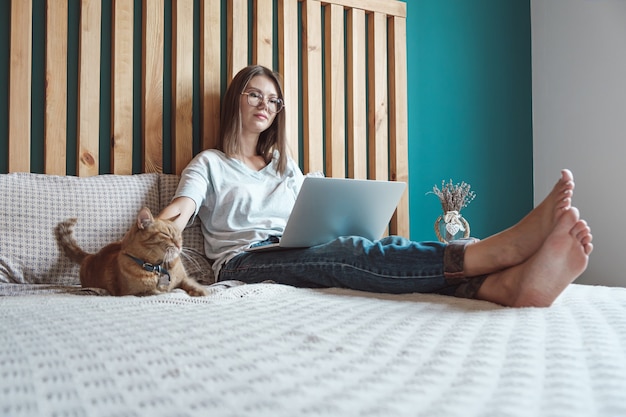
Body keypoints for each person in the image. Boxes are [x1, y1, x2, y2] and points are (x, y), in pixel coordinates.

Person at [159, 65, 593, 308]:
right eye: (254, 94)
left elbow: (313, 212)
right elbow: (179, 211)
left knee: (361, 249)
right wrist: (155, 231)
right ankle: (496, 252)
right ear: (236, 98)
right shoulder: (209, 164)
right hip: (244, 262)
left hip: (293, 248)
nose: (265, 105)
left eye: (273, 99)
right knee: (349, 255)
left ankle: (499, 287)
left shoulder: (285, 166)